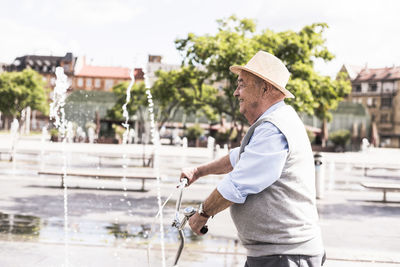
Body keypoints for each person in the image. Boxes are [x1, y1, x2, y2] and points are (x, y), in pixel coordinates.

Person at [180, 51, 325, 267]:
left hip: (285, 256)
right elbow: (238, 157)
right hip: (276, 254)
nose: (236, 93)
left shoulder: (274, 128)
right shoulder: (274, 121)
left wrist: (203, 213)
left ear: (265, 88)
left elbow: (239, 182)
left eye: (242, 84)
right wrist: (199, 171)